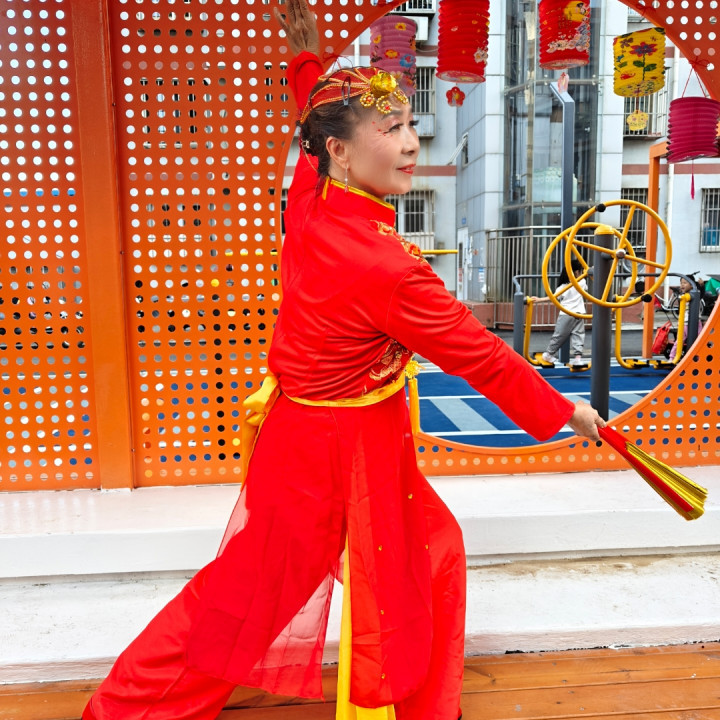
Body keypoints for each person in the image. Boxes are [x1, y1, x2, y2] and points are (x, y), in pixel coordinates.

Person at [82, 3, 604, 719]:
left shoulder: (312, 195)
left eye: (410, 123)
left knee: (426, 554)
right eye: (391, 130)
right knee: (256, 591)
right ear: (342, 152)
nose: (411, 143)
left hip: (337, 432)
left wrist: (307, 60)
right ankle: (129, 707)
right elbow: (479, 353)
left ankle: (419, 703)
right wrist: (567, 411)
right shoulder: (384, 267)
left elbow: (312, 113)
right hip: (331, 451)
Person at [534, 258, 588, 366]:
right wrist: (589, 270)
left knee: (559, 335)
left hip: (567, 313)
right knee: (578, 335)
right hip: (579, 313)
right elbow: (589, 277)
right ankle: (577, 358)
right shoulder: (582, 282)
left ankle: (549, 354)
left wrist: (539, 299)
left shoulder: (562, 287)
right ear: (577, 272)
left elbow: (553, 297)